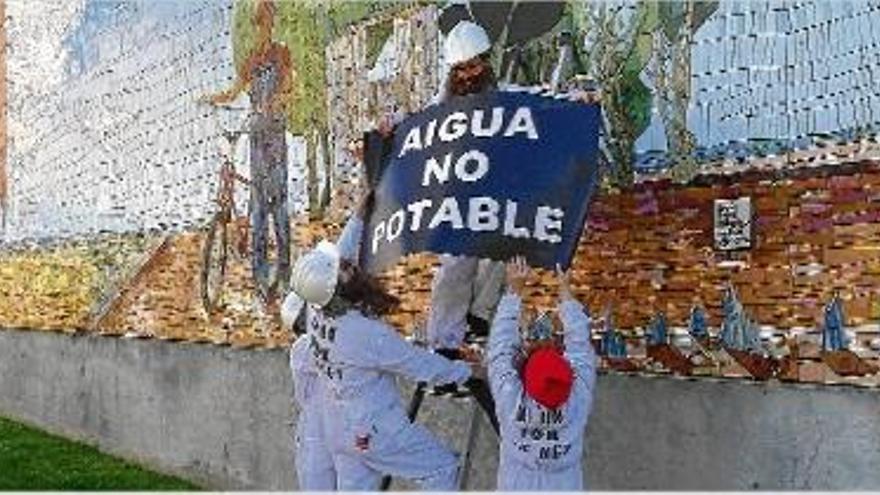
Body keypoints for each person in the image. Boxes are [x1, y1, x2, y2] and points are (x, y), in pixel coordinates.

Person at [288, 238, 476, 491]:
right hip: (373, 430)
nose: (350, 267)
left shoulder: (315, 311)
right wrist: (469, 371)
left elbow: (339, 256)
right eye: (343, 269)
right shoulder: (364, 333)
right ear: (337, 289)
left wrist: (358, 217)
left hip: (340, 429)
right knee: (442, 467)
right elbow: (420, 366)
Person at [203, 0, 294, 305]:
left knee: (278, 206)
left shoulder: (281, 53)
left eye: (268, 17)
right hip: (256, 136)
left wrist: (275, 103)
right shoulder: (252, 59)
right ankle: (260, 282)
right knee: (258, 208)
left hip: (275, 137)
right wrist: (212, 99)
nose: (264, 23)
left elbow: (290, 88)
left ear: (274, 20)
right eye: (261, 19)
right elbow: (233, 92)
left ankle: (283, 277)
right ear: (258, 23)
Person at [487, 256, 598, 490]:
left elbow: (499, 347)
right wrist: (565, 291)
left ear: (525, 379)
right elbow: (580, 346)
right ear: (569, 377)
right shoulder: (579, 396)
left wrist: (514, 289)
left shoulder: (510, 396)